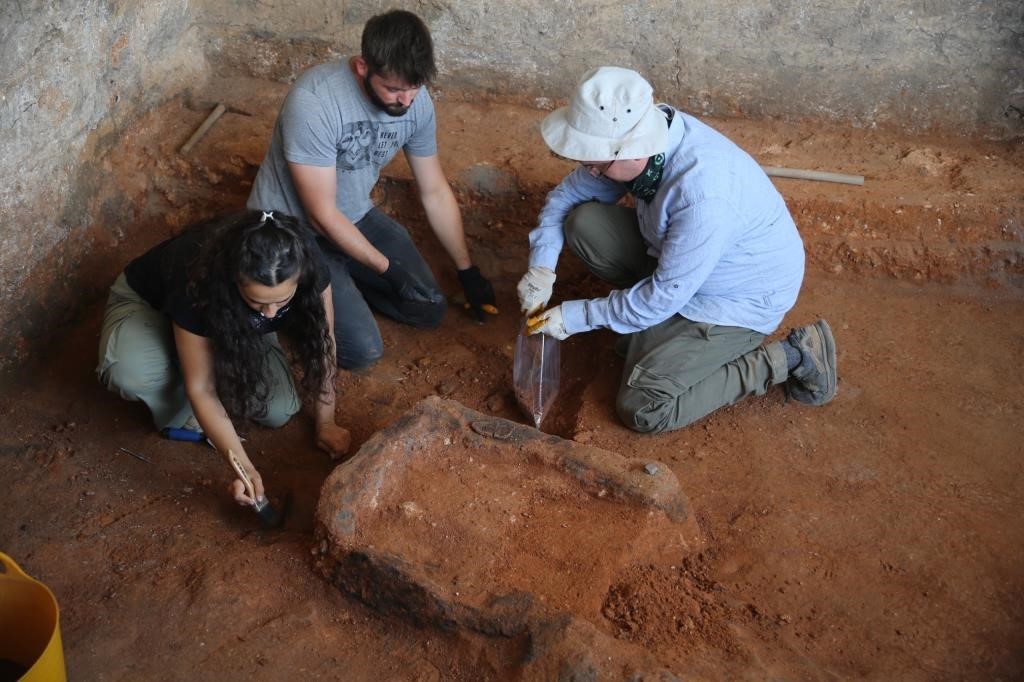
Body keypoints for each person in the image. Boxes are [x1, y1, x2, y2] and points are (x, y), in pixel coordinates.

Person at [518, 66, 838, 435]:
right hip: (680, 261)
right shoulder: (653, 140)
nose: (588, 171)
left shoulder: (703, 196)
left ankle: (791, 356)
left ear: (630, 150)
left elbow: (664, 296)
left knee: (643, 407)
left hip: (735, 300)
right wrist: (542, 266)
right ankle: (651, 334)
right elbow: (567, 197)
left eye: (594, 162)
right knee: (584, 224)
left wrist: (576, 317)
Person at [247, 9, 496, 371]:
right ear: (363, 67)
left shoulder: (416, 102)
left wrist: (466, 269)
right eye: (394, 89)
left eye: (414, 88)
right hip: (291, 229)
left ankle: (341, 282)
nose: (406, 101)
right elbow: (320, 214)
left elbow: (434, 190)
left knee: (428, 308)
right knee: (361, 351)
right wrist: (387, 269)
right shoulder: (315, 100)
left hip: (354, 215)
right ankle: (294, 302)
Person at [97, 210, 351, 507]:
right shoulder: (198, 281)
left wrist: (327, 421)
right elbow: (201, 388)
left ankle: (198, 351)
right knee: (129, 370)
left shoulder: (306, 262)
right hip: (153, 307)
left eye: (282, 302)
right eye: (257, 301)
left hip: (229, 323)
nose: (270, 314)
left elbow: (324, 342)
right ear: (234, 281)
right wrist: (244, 468)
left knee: (279, 409)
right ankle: (178, 386)